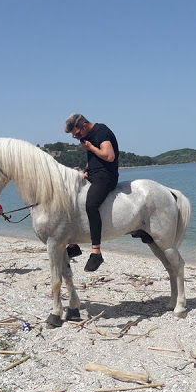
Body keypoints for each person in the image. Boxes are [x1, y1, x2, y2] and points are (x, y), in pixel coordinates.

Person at [64, 113, 120, 272]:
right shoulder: (85, 136)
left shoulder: (101, 131)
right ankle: (73, 245)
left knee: (91, 204)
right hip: (94, 175)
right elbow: (94, 159)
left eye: (77, 134)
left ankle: (96, 252)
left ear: (84, 125)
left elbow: (109, 156)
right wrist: (86, 170)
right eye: (74, 137)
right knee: (71, 199)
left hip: (106, 177)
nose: (77, 138)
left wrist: (91, 148)